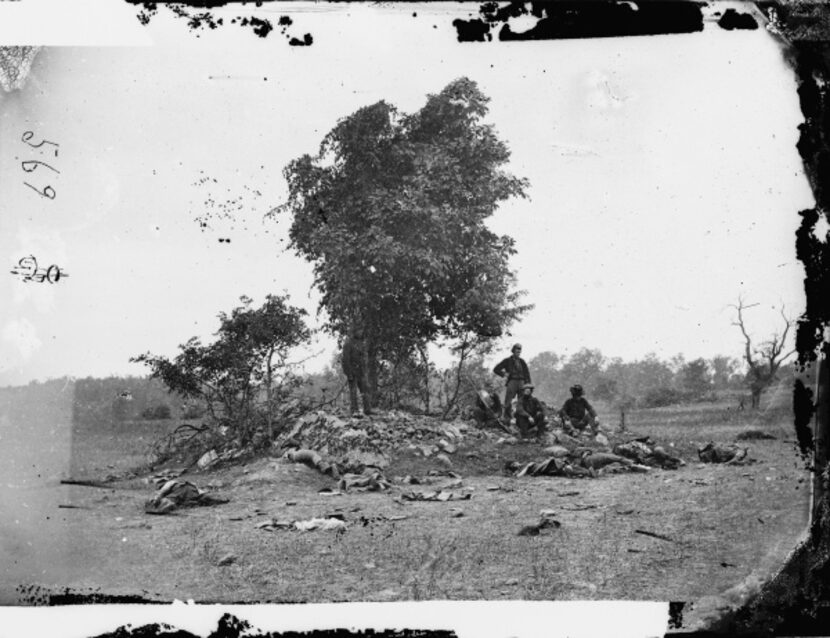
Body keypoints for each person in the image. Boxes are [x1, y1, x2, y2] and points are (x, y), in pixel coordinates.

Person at [493, 343, 531, 421]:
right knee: (508, 401)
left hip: (522, 382)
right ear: (513, 351)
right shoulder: (507, 361)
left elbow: (527, 374)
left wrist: (528, 385)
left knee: (522, 401)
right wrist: (504, 374)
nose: (518, 352)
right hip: (512, 381)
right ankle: (507, 419)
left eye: (520, 351)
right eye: (517, 350)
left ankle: (521, 419)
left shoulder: (522, 361)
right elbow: (496, 369)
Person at [341, 327, 371, 416]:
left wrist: (365, 369)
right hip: (352, 370)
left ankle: (367, 409)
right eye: (359, 330)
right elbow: (345, 359)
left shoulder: (361, 343)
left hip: (361, 371)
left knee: (365, 389)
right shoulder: (348, 343)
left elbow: (364, 357)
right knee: (353, 391)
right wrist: (348, 373)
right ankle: (354, 410)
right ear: (354, 332)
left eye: (361, 331)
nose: (361, 332)